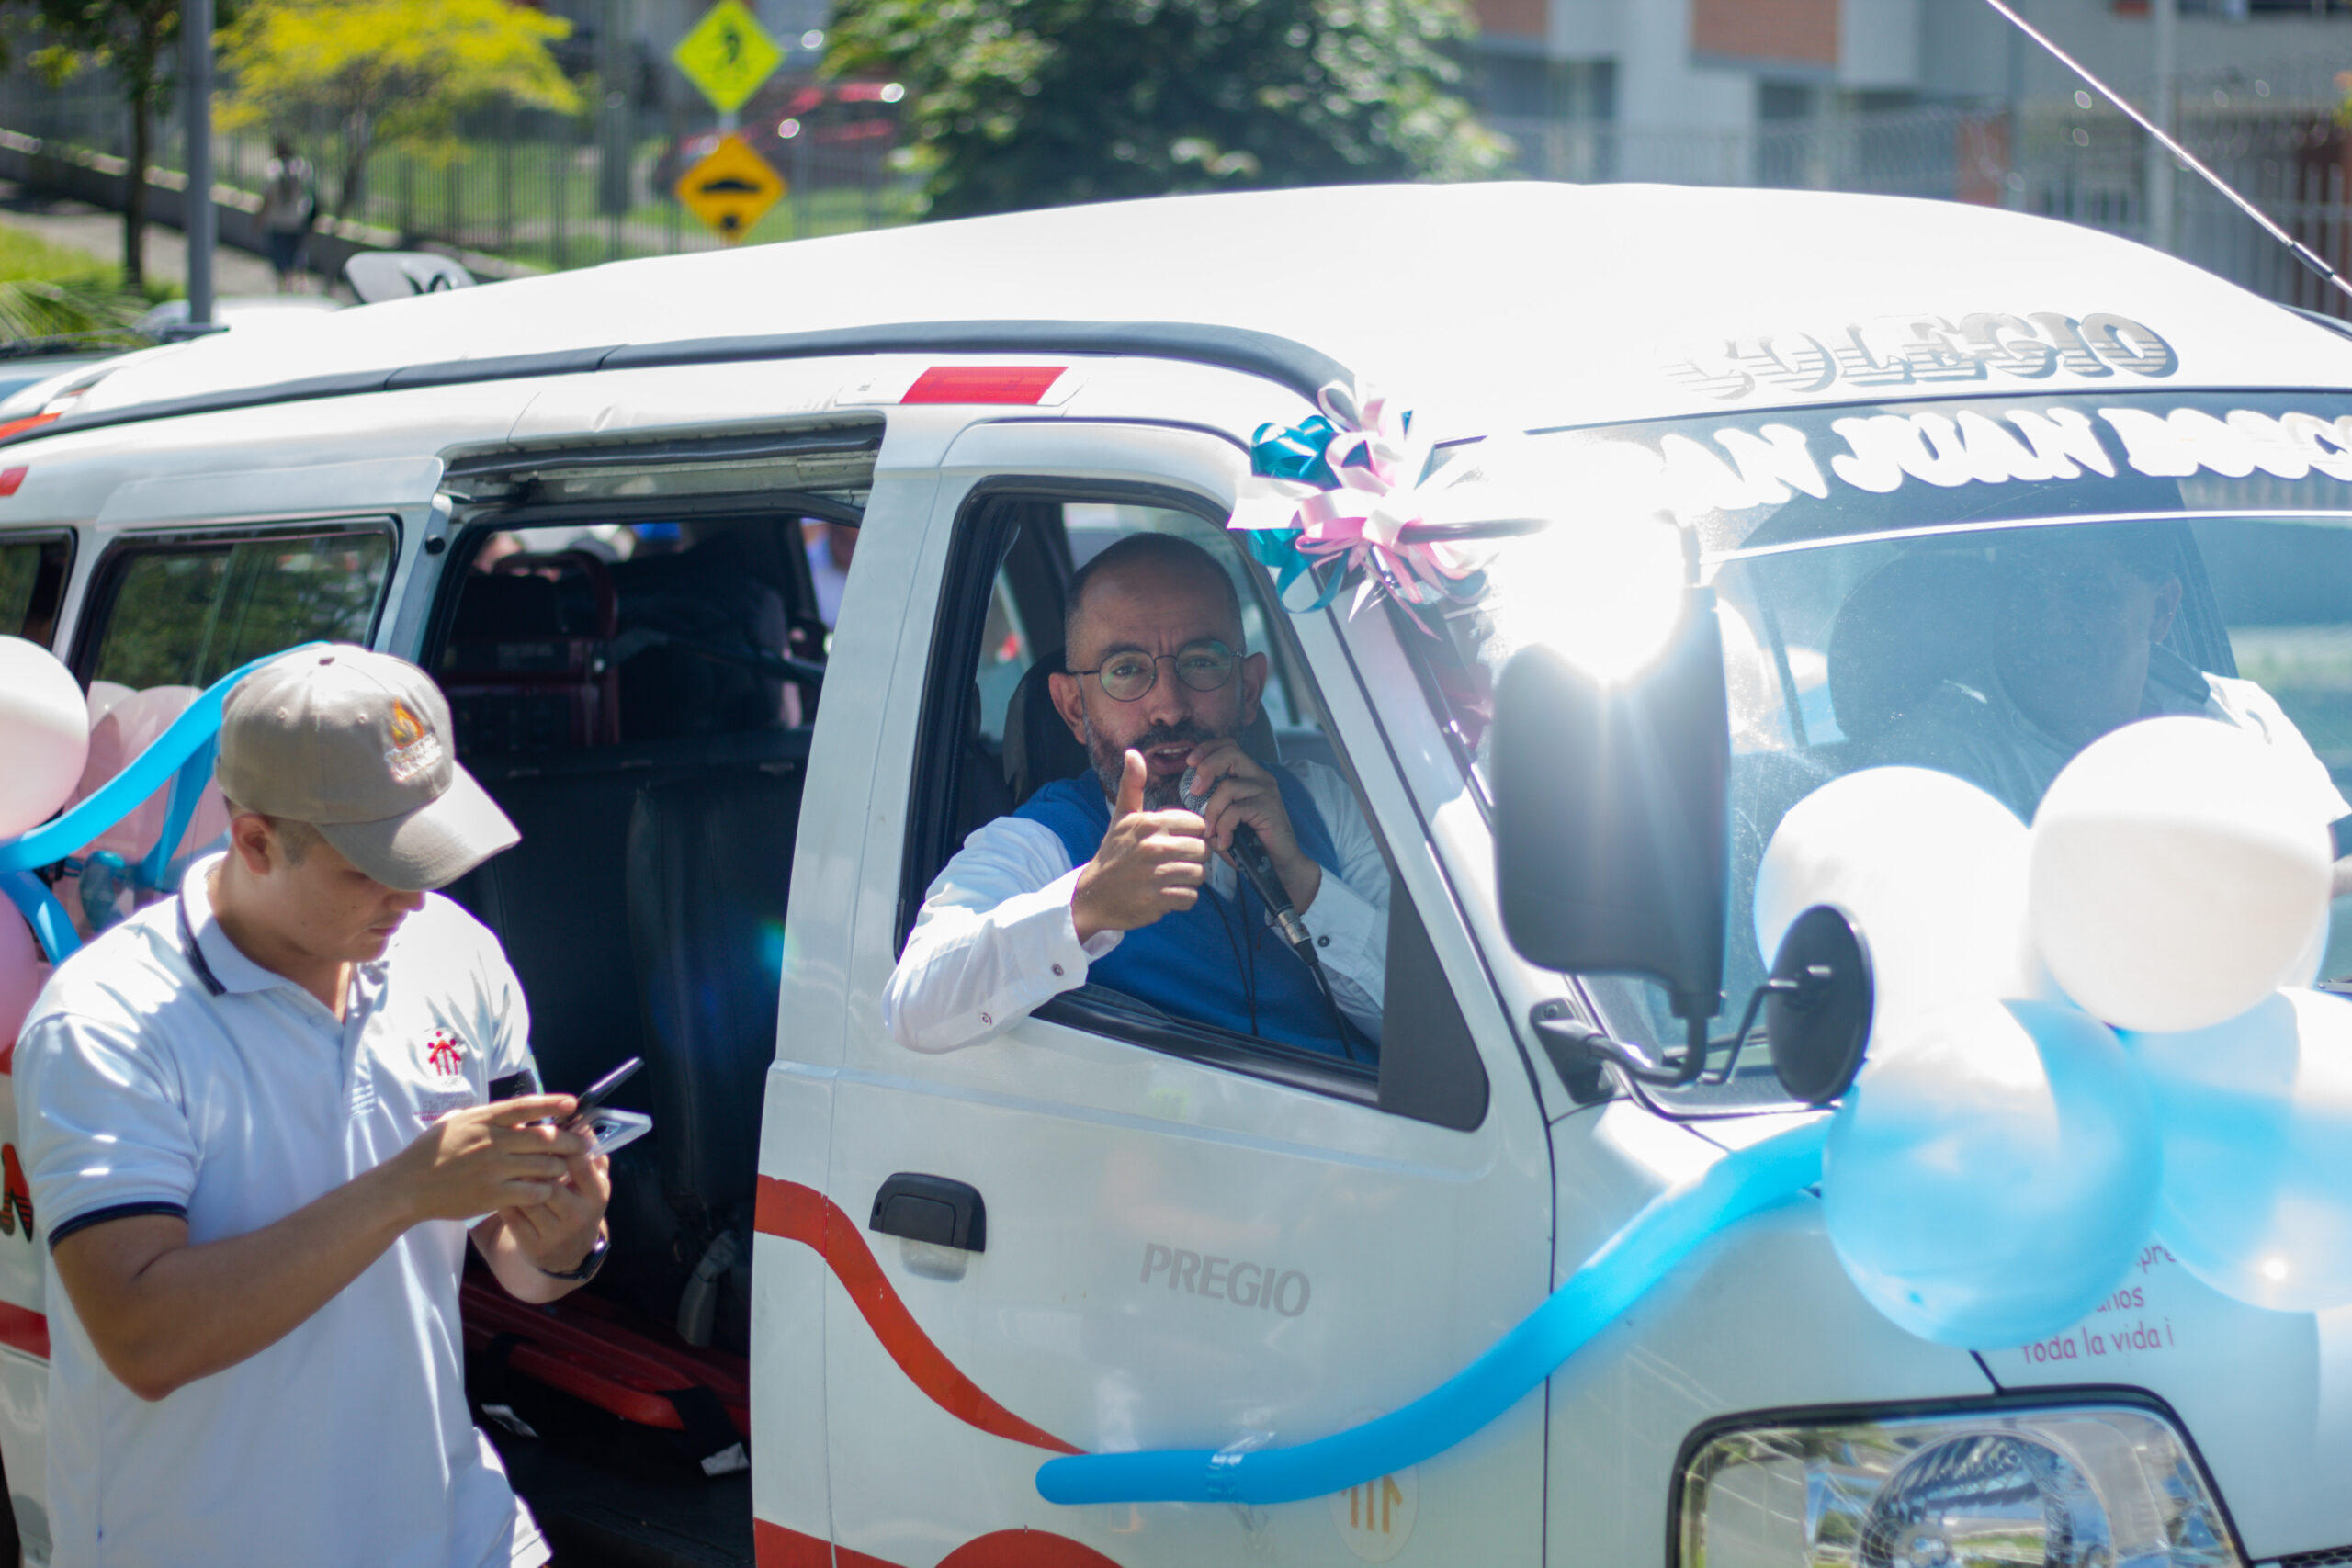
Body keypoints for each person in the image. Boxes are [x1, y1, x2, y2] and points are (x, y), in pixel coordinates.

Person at [14, 647, 610, 1568]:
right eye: (371, 866)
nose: (413, 896)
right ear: (252, 840)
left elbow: (522, 1267)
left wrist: (568, 1232)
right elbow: (145, 1339)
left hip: (459, 1534)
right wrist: (406, 1191)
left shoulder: (455, 952)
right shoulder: (106, 1018)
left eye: (428, 852)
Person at [885, 533, 1388, 1057]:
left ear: (1250, 688)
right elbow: (913, 1005)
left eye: (1201, 661)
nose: (1168, 707)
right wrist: (1084, 907)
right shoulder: (1045, 844)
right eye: (1125, 670)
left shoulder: (1322, 804)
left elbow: (1448, 1035)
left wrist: (1304, 886)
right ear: (1074, 708)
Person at [1872, 525, 2352, 843]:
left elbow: (2335, 861)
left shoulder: (2238, 718)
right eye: (2026, 588)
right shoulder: (1938, 763)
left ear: (2162, 609)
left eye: (2086, 592)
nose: (2050, 621)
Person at [259, 138, 318, 294]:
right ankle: (298, 283)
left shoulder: (273, 169)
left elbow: (268, 198)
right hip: (297, 219)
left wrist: (259, 218)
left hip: (278, 222)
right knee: (297, 254)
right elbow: (310, 193)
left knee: (282, 258)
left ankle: (286, 286)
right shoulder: (302, 167)